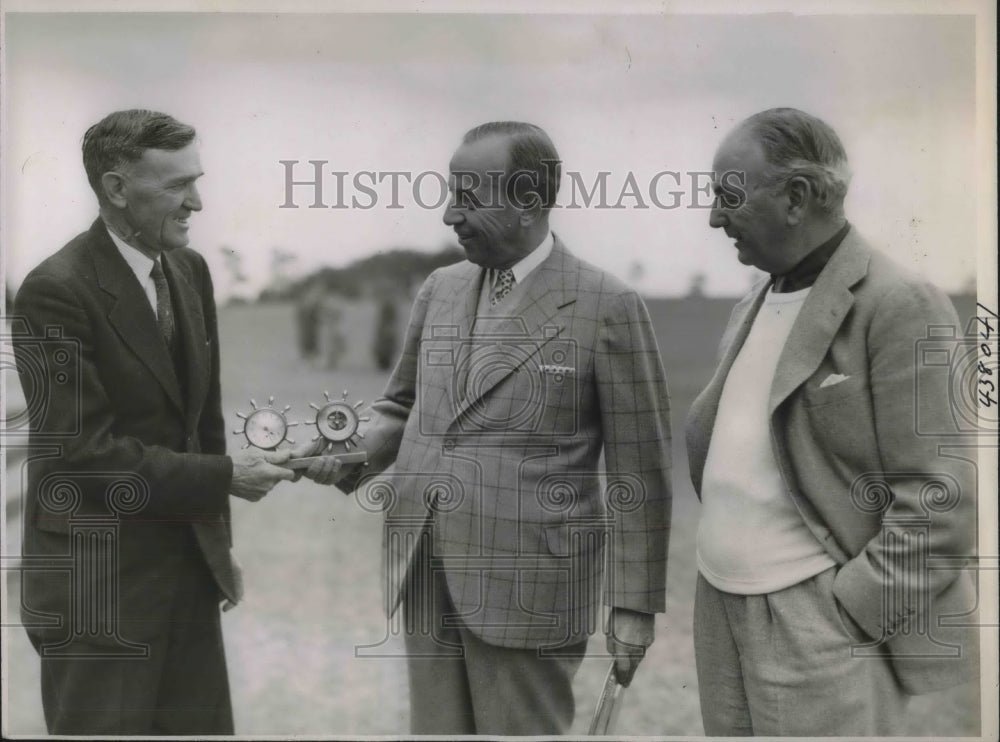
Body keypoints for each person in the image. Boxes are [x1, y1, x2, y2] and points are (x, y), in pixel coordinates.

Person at [299, 121, 672, 735]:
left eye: (468, 197)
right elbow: (400, 407)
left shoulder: (607, 304)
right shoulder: (440, 290)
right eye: (449, 194)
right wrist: (352, 452)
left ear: (528, 200)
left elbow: (642, 470)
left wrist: (634, 604)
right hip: (424, 566)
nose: (449, 214)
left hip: (530, 589)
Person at [687, 107, 979, 736]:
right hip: (721, 614)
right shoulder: (750, 305)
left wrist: (850, 613)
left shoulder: (900, 304)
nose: (713, 217)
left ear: (796, 198)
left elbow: (941, 499)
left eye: (727, 197)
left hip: (821, 630)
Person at [13, 109, 294, 735]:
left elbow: (203, 423)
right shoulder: (54, 290)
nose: (197, 201)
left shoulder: (188, 270)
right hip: (99, 595)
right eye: (176, 186)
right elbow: (81, 457)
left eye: (197, 180)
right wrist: (223, 478)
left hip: (188, 580)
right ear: (116, 189)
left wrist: (217, 551)